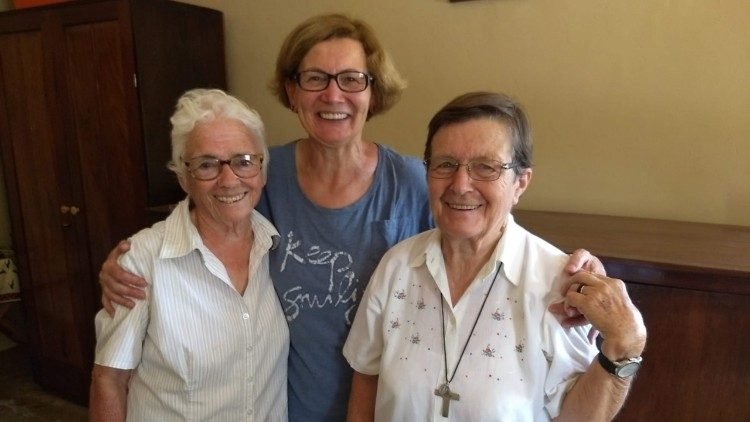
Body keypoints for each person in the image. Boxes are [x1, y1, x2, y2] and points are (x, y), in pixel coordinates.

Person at [97, 14, 606, 421]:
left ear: (372, 92)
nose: (333, 95)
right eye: (314, 78)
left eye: (351, 79)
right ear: (292, 91)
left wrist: (571, 268)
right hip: (281, 406)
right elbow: (203, 211)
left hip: (392, 403)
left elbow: (483, 232)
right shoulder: (262, 175)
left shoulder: (414, 181)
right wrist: (127, 262)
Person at [343, 92, 647, 421]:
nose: (460, 185)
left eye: (485, 167)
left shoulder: (558, 285)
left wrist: (626, 345)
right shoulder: (396, 267)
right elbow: (366, 379)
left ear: (520, 183)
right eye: (445, 164)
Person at [89, 89, 289, 421]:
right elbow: (109, 380)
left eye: (243, 161)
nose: (229, 180)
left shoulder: (277, 246)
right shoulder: (143, 260)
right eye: (207, 165)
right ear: (184, 177)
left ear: (262, 171)